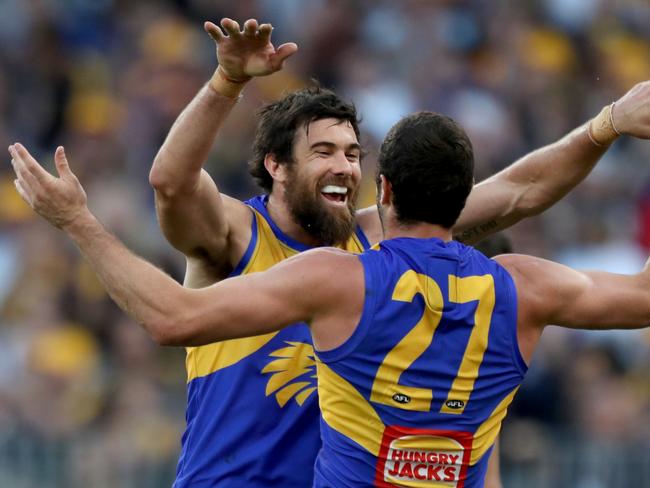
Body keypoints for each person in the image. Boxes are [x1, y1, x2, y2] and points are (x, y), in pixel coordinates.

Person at [9, 109, 650, 487]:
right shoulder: (525, 288)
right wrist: (607, 123)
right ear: (466, 204)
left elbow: (171, 318)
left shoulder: (340, 278)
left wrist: (77, 223)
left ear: (386, 190)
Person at [147, 16, 650, 486]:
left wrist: (606, 123)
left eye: (352, 154)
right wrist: (226, 82)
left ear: (379, 183)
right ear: (277, 165)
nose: (344, 167)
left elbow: (523, 190)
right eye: (323, 152)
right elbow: (171, 184)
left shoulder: (380, 247)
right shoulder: (236, 235)